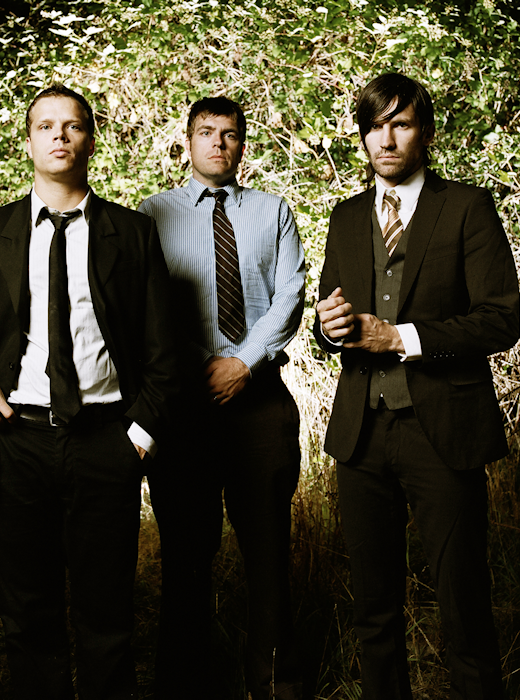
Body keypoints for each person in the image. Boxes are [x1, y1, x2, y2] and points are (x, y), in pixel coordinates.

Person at [0, 84, 179, 700]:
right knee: (28, 616)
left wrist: (138, 437)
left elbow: (165, 351)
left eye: (73, 125)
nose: (59, 135)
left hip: (105, 442)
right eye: (45, 126)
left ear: (90, 140)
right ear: (28, 143)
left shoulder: (132, 232)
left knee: (107, 613)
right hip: (14, 443)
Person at [314, 72, 519, 700]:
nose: (386, 139)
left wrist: (401, 337)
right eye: (374, 126)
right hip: (362, 435)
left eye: (400, 124)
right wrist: (327, 326)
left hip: (442, 431)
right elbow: (330, 322)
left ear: (424, 132)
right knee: (373, 608)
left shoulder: (467, 207)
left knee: (463, 604)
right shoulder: (347, 216)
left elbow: (499, 320)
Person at [138, 96, 305, 700]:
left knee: (269, 551)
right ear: (187, 141)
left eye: (230, 134)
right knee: (186, 556)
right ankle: (185, 686)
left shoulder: (272, 211)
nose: (218, 143)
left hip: (259, 402)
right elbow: (147, 303)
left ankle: (275, 684)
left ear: (242, 144)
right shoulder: (152, 213)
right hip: (184, 407)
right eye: (206, 132)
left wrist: (242, 362)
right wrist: (200, 364)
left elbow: (290, 294)